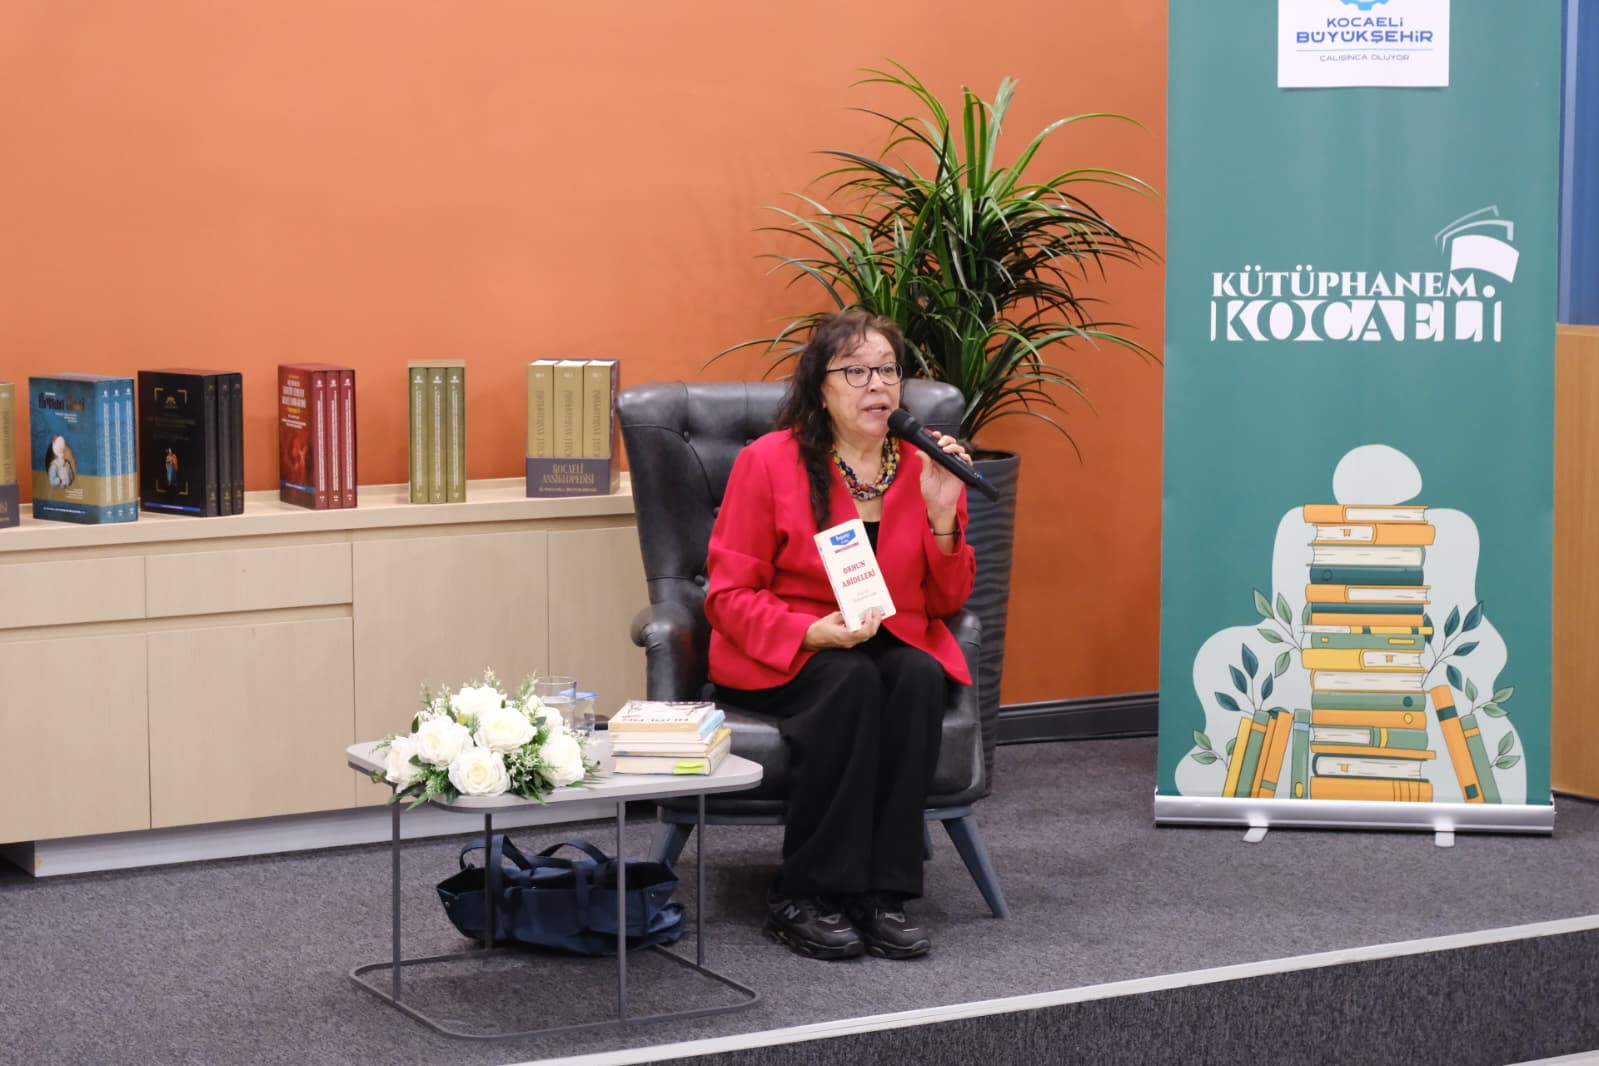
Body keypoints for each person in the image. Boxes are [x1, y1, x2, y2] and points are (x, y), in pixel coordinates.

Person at [704, 310, 976, 961]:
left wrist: (942, 513)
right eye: (855, 371)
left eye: (887, 370)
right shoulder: (768, 462)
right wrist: (809, 632)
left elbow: (947, 601)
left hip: (891, 637)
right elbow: (727, 596)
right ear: (819, 386)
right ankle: (805, 892)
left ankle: (883, 893)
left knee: (917, 675)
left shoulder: (924, 463)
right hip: (786, 647)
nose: (875, 385)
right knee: (849, 681)